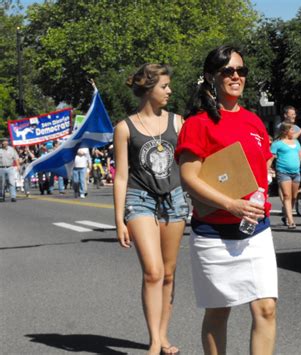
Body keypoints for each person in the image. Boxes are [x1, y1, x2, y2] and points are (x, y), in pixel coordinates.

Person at [176, 45, 278, 355]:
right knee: (219, 312)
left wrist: (264, 181)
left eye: (241, 71)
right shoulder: (198, 123)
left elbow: (264, 164)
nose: (236, 76)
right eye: (228, 71)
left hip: (255, 231)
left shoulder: (254, 121)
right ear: (211, 77)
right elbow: (189, 177)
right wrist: (231, 204)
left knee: (266, 309)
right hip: (214, 235)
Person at [113, 63, 188, 355]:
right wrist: (119, 219)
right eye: (164, 86)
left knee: (169, 274)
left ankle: (163, 335)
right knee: (153, 272)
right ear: (148, 89)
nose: (170, 91)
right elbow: (121, 175)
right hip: (139, 199)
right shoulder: (125, 127)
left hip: (174, 199)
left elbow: (189, 165)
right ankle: (154, 341)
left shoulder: (179, 122)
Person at [269, 122, 301, 229]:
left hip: (296, 173)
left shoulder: (296, 142)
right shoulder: (277, 144)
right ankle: (291, 220)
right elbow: (270, 158)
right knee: (287, 196)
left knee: (293, 197)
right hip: (283, 172)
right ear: (285, 131)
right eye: (291, 130)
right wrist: (267, 169)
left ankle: (287, 216)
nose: (294, 131)